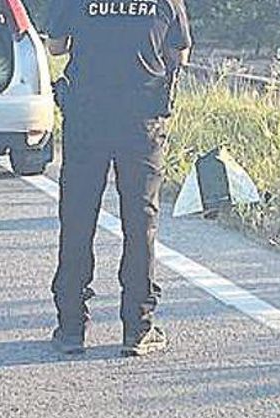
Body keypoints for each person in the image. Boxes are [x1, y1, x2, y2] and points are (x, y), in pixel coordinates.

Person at [45, 0, 192, 357]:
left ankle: (70, 328)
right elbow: (180, 52)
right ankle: (138, 328)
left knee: (78, 216)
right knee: (140, 219)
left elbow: (56, 46)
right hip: (141, 117)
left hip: (87, 113)